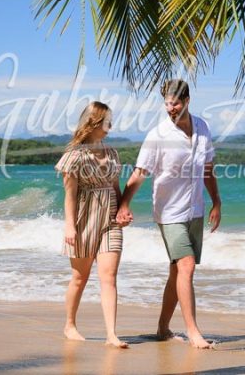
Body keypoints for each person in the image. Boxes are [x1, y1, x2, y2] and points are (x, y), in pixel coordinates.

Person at [116, 79, 221, 349]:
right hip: (169, 211)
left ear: (187, 101)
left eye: (175, 103)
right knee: (186, 265)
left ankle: (163, 328)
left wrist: (216, 202)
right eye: (166, 103)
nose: (170, 108)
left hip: (195, 209)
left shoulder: (202, 127)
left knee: (178, 272)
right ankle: (193, 332)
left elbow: (208, 169)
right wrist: (124, 204)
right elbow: (140, 172)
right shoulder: (158, 135)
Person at [55, 101, 127, 348]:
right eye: (106, 122)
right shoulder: (74, 156)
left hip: (110, 221)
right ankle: (70, 325)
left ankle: (111, 334)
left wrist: (123, 210)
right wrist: (70, 226)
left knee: (109, 276)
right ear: (93, 123)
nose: (110, 127)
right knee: (80, 277)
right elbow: (70, 195)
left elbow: (116, 188)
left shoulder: (113, 154)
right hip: (84, 220)